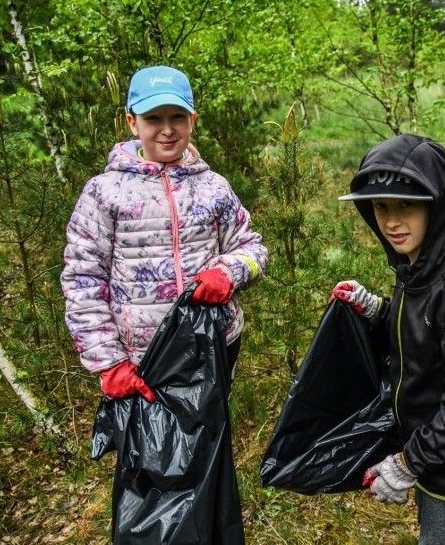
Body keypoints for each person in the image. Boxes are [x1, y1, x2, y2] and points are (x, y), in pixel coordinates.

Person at [61, 65, 267, 541]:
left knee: (204, 454)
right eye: (154, 118)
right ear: (132, 122)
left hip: (209, 353)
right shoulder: (104, 192)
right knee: (149, 467)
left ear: (193, 119)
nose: (167, 129)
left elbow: (253, 248)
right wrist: (108, 363)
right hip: (141, 363)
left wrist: (229, 272)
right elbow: (83, 279)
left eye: (178, 116)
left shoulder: (213, 187)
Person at [332, 134, 445, 544]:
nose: (391, 221)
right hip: (429, 452)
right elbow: (422, 335)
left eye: (406, 204)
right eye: (381, 206)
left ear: (436, 204)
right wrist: (378, 310)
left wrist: (408, 463)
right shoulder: (414, 272)